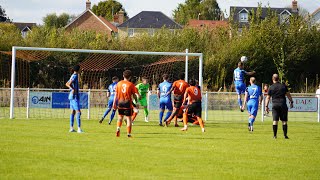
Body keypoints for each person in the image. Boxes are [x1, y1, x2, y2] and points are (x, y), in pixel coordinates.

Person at [265, 74, 293, 139]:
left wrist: (266, 106)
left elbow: (268, 98)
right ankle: (285, 135)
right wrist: (291, 102)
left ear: (272, 79)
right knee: (284, 121)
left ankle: (275, 135)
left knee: (275, 120)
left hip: (275, 105)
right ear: (278, 78)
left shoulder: (271, 87)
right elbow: (288, 95)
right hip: (283, 104)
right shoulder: (283, 86)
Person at [113, 70, 140, 137]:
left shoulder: (118, 84)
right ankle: (128, 134)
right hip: (127, 103)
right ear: (130, 77)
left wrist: (114, 103)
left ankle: (118, 128)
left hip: (120, 103)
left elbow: (115, 95)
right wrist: (136, 101)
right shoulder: (131, 84)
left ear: (123, 75)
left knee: (120, 117)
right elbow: (134, 95)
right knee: (129, 119)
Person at [65, 65, 83, 133]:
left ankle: (71, 128)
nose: (81, 70)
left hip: (71, 96)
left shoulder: (73, 75)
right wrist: (72, 89)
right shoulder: (75, 76)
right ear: (78, 70)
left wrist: (71, 89)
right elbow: (69, 84)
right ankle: (79, 128)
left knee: (73, 111)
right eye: (80, 69)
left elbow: (66, 84)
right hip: (74, 96)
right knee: (78, 112)